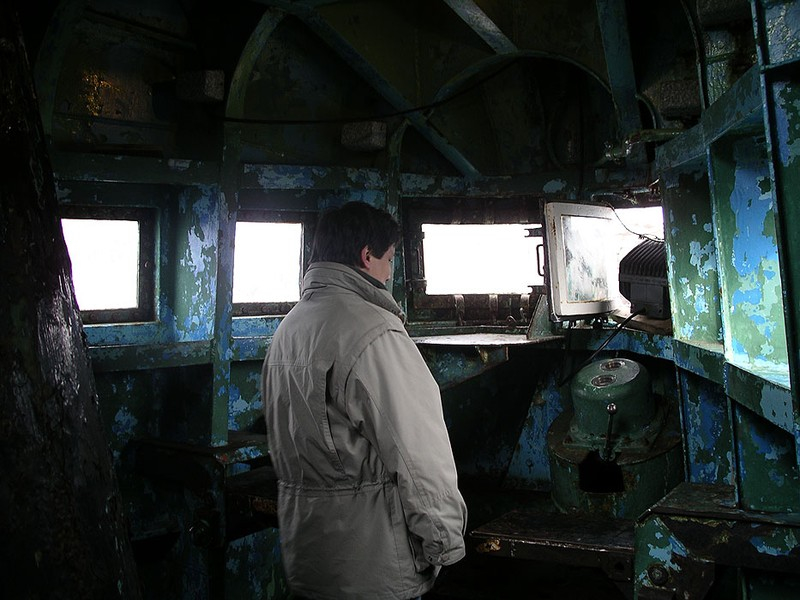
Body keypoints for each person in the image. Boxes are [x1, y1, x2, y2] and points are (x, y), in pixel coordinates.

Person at [261, 201, 467, 600]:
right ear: (366, 256)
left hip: (307, 556)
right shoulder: (373, 332)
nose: (389, 274)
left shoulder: (288, 330)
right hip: (374, 564)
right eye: (389, 259)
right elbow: (418, 454)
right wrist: (444, 543)